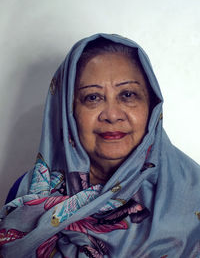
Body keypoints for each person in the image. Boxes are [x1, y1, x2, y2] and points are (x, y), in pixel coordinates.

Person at [0, 33, 200, 258]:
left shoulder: (194, 191)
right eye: (92, 97)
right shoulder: (29, 193)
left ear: (152, 108)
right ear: (68, 112)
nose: (112, 115)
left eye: (127, 94)